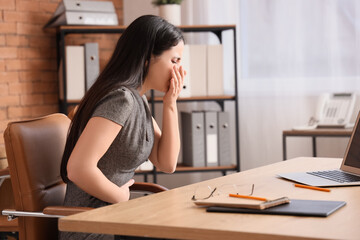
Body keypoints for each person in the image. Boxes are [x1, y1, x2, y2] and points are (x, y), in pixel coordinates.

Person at [59, 15, 185, 240]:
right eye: (174, 61)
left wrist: (170, 104)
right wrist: (120, 196)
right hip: (93, 227)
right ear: (148, 58)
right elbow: (78, 168)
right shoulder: (121, 99)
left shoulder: (139, 100)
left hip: (114, 218)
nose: (179, 71)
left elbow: (167, 162)